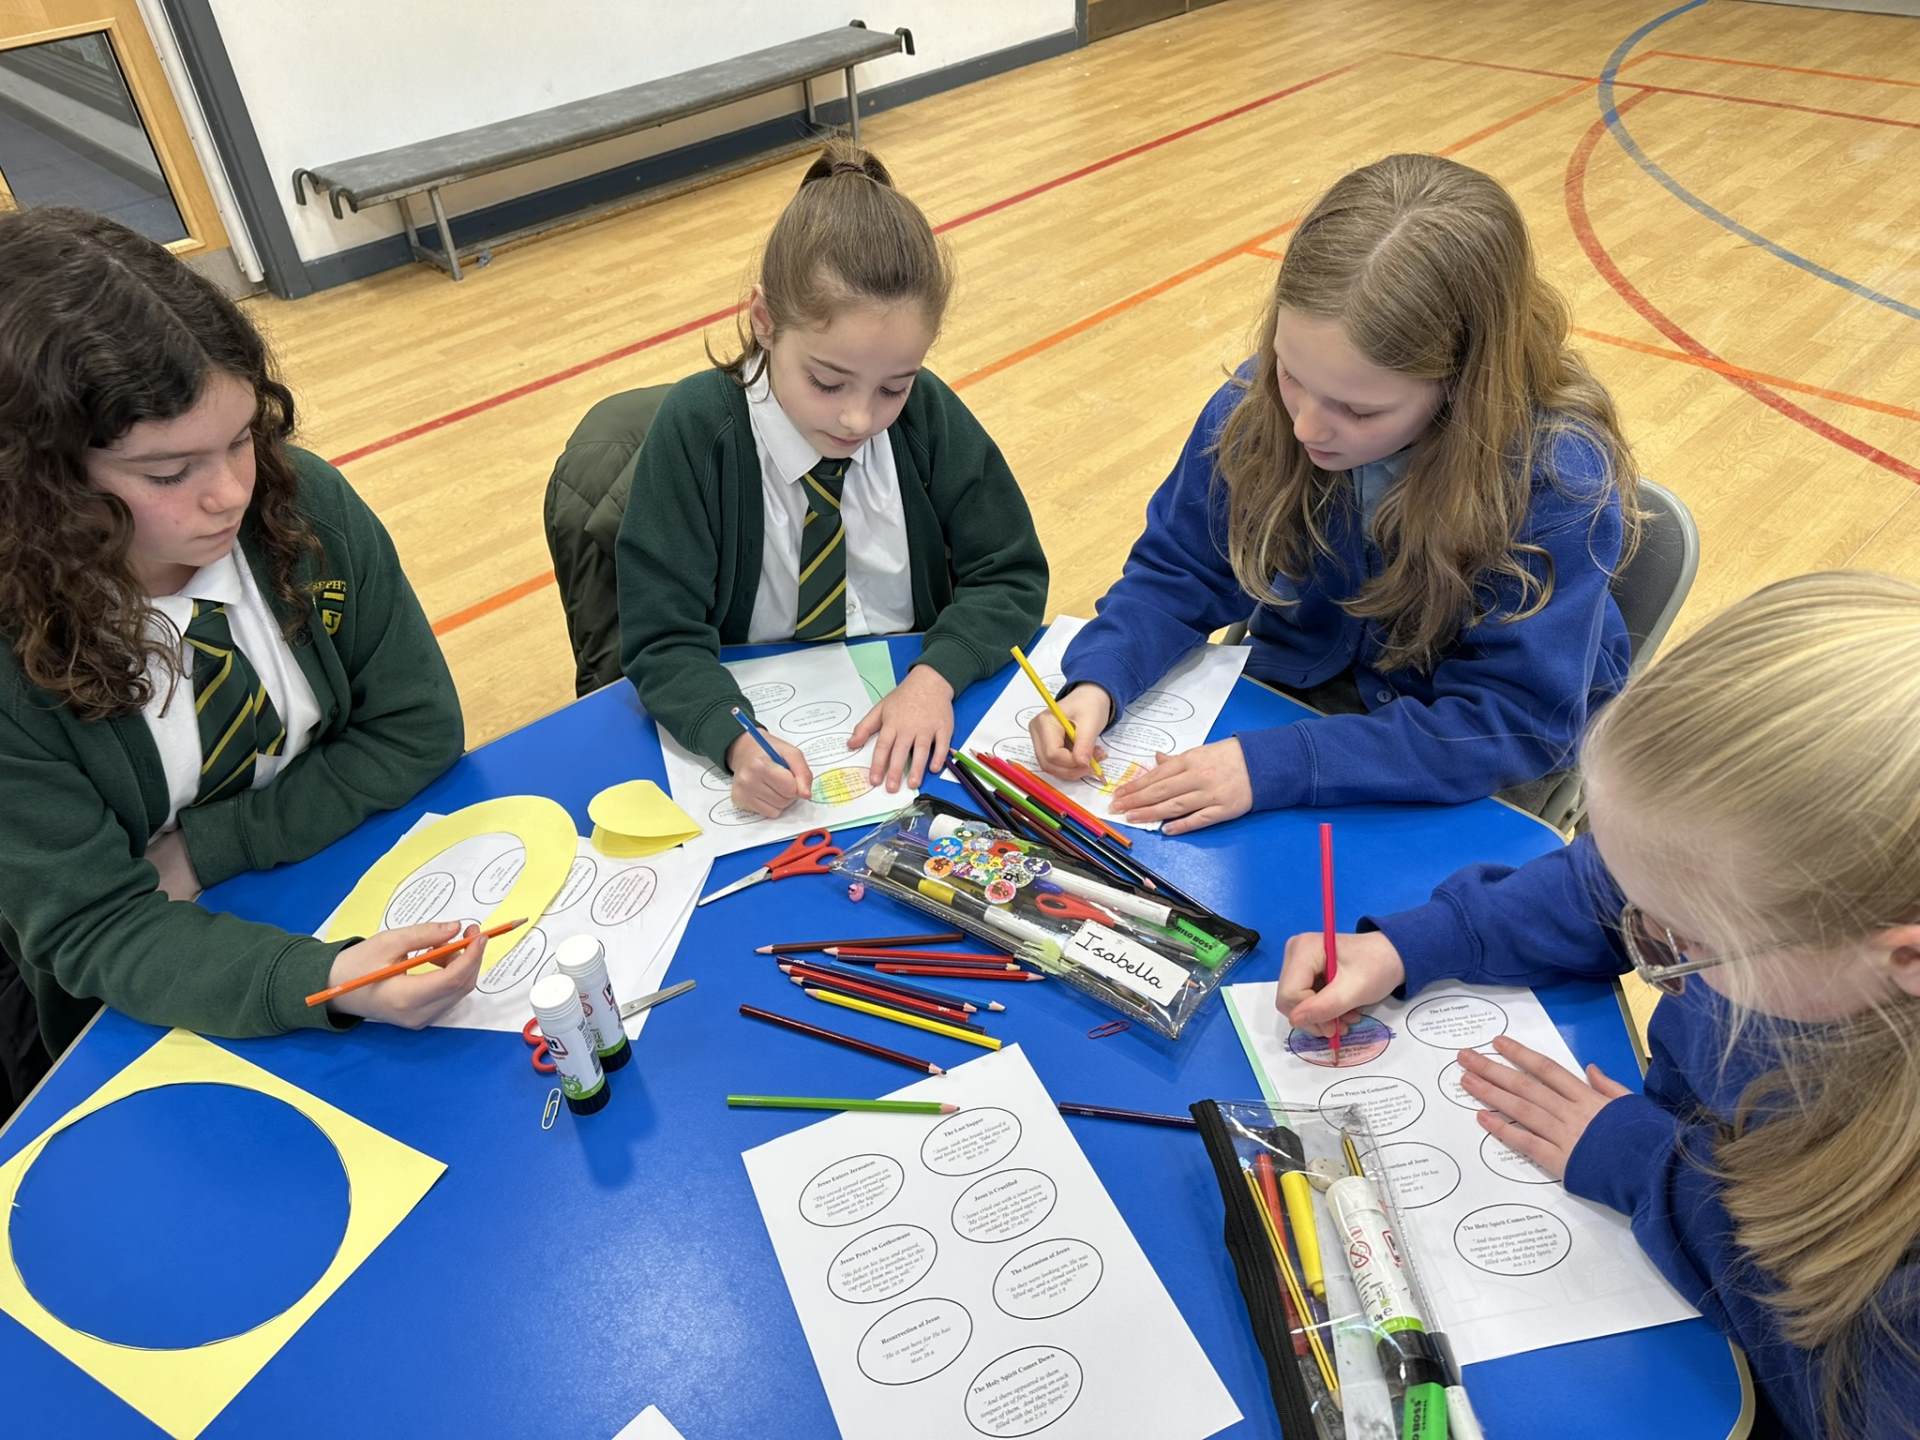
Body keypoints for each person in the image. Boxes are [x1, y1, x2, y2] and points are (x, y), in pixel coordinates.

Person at [1279, 571, 1920, 1438]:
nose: (1646, 940)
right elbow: (1615, 886)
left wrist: (1653, 1171)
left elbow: (1838, 1394)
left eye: (1678, 946)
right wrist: (1414, 944)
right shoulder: (1786, 907)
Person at [0, 207, 481, 1113]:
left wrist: (206, 849)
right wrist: (325, 980)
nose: (229, 493)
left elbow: (417, 730)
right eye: (167, 473)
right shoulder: (13, 664)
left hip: (337, 883)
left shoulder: (306, 510)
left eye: (242, 438)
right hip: (159, 998)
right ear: (41, 483)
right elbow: (97, 926)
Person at [1031, 153, 1637, 832]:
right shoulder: (1255, 410)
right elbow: (1181, 571)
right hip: (1296, 700)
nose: (1305, 427)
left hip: (1469, 758)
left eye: (1359, 410)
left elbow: (1511, 719)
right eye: (1290, 373)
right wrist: (1101, 676)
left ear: (1463, 386)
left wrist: (1280, 765)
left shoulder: (1553, 481)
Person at [618, 142, 1048, 818]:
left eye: (893, 387)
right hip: (761, 729)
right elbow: (661, 637)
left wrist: (935, 678)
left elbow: (1011, 572)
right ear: (765, 323)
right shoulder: (699, 431)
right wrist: (735, 738)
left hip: (912, 728)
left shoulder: (928, 416)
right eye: (826, 381)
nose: (858, 418)